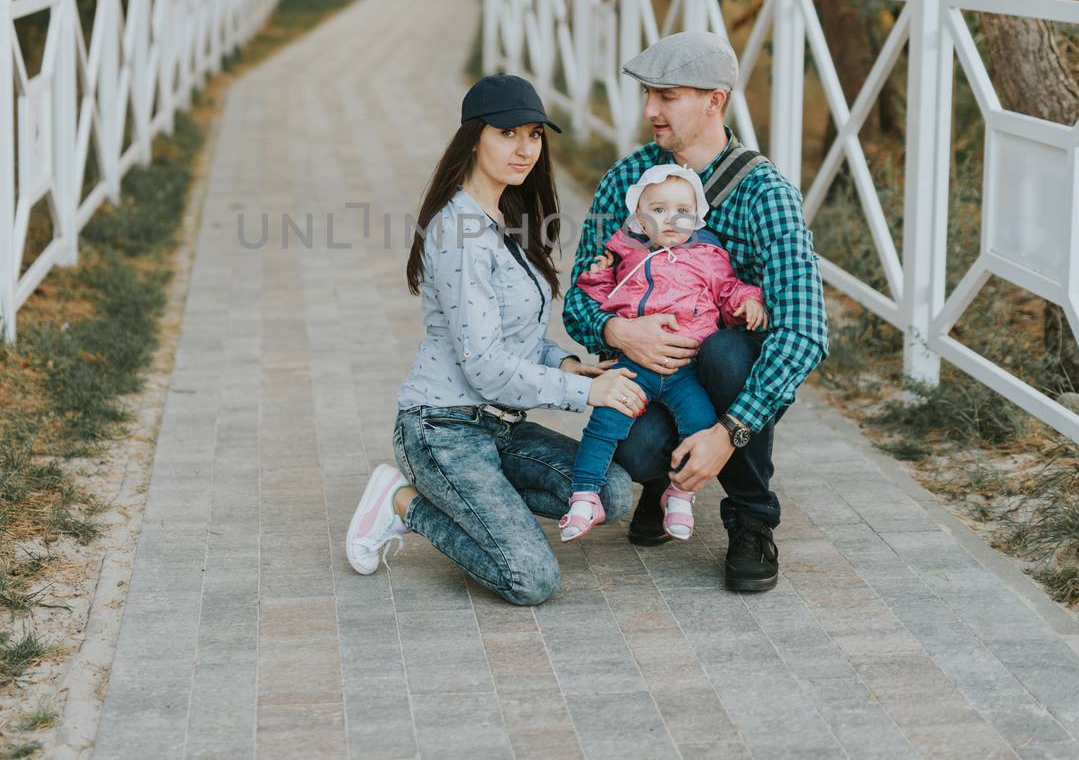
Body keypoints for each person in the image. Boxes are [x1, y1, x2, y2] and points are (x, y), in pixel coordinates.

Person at [344, 74, 642, 605]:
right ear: (474, 138)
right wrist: (583, 395)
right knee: (531, 580)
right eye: (508, 134)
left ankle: (485, 508)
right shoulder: (458, 232)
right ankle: (403, 502)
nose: (525, 148)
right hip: (443, 430)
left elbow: (515, 337)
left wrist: (568, 364)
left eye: (534, 134)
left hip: (501, 428)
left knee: (610, 492)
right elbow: (483, 365)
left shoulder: (506, 217)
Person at [562, 30, 828, 592]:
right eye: (648, 95)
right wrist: (617, 329)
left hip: (730, 374)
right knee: (635, 448)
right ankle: (662, 483)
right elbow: (579, 297)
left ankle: (752, 516)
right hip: (652, 369)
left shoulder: (764, 193)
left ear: (715, 100)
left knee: (726, 350)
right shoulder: (625, 185)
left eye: (668, 96)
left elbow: (806, 333)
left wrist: (728, 433)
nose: (650, 110)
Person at [559, 164, 766, 543]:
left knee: (700, 422)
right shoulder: (626, 251)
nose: (670, 219)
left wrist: (748, 300)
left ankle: (679, 495)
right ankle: (585, 495)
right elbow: (595, 297)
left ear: (697, 216)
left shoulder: (707, 255)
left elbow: (728, 288)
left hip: (685, 368)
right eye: (657, 210)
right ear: (638, 217)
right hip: (634, 364)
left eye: (682, 211)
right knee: (605, 424)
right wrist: (598, 273)